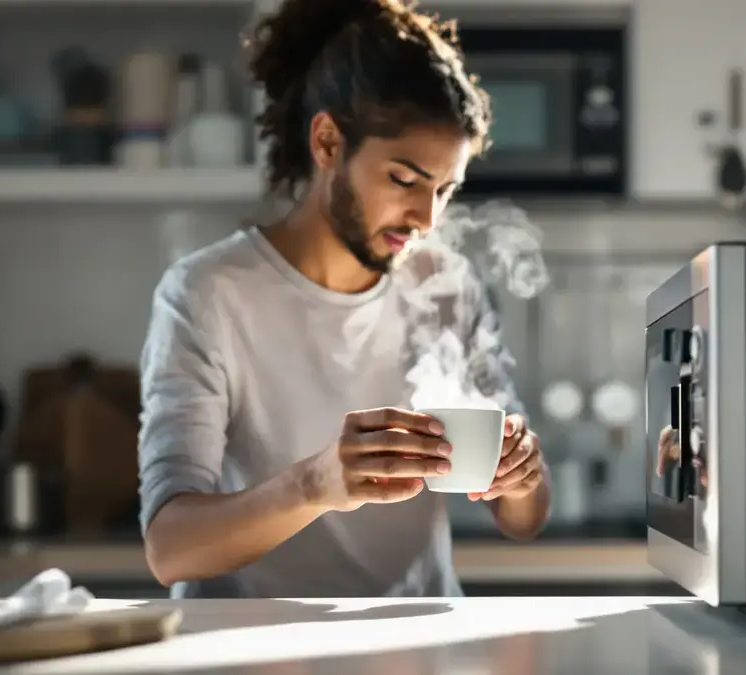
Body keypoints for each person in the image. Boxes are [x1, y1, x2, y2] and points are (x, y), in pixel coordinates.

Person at [137, 0, 551, 599]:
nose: (426, 219)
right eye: (404, 180)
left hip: (416, 637)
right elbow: (170, 548)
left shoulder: (447, 285)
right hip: (254, 639)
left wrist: (520, 476)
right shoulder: (208, 294)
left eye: (444, 190)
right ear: (328, 141)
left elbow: (526, 519)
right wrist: (314, 484)